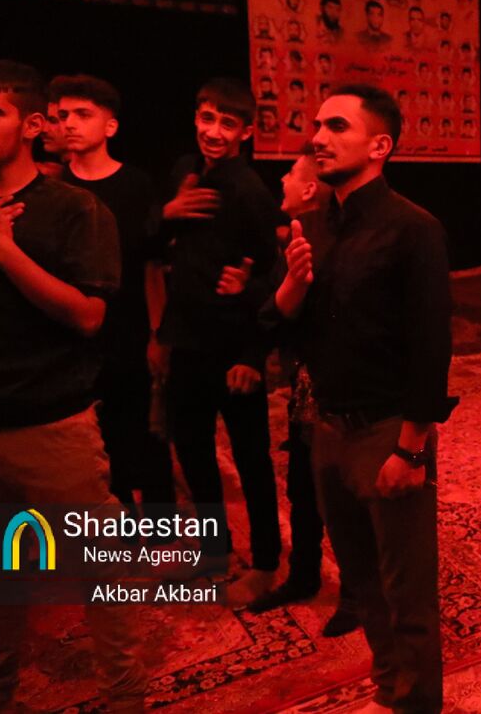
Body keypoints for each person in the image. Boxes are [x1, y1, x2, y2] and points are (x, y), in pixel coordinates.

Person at [267, 84, 456, 713]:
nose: (318, 137)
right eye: (317, 125)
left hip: (386, 431)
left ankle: (417, 703)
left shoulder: (414, 229)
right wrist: (291, 286)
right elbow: (282, 328)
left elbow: (431, 348)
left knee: (407, 595)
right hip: (327, 431)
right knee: (364, 584)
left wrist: (411, 449)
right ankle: (389, 690)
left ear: (380, 146)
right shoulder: (315, 227)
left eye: (337, 126)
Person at [0, 60, 148, 712]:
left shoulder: (75, 209)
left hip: (52, 427)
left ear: (30, 125)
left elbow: (88, 315)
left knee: (100, 570)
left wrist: (3, 251)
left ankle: (125, 697)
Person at [157, 78, 283, 606]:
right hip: (187, 341)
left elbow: (276, 274)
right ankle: (213, 556)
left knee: (252, 459)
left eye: (227, 123)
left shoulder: (249, 191)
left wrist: (253, 355)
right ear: (195, 118)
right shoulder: (185, 171)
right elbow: (160, 251)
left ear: (246, 132)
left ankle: (267, 563)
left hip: (233, 349)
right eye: (207, 118)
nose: (213, 131)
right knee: (193, 452)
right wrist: (166, 214)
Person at [246, 151, 359, 638]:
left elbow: (289, 315)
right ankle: (305, 575)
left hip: (335, 390)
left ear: (310, 188)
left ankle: (355, 593)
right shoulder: (295, 237)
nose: (282, 179)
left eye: (291, 173)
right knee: (303, 488)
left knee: (340, 495)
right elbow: (273, 311)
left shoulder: (324, 237)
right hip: (306, 389)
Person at [51, 74, 175, 513]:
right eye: (63, 115)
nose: (70, 123)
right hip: (74, 338)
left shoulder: (135, 184)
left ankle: (161, 528)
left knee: (146, 432)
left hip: (130, 329)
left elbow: (151, 264)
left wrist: (158, 334)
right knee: (91, 443)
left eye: (83, 114)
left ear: (110, 126)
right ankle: (117, 528)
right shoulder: (55, 189)